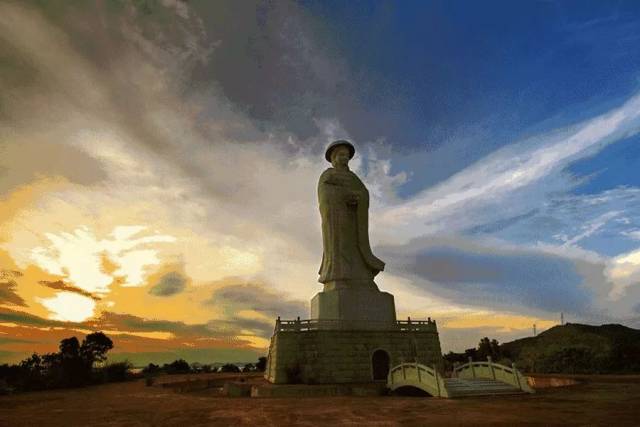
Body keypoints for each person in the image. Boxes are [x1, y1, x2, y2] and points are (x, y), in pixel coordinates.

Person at [317, 140, 385, 291]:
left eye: (346, 156)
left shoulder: (353, 178)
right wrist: (344, 195)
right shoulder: (328, 175)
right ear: (334, 158)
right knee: (339, 247)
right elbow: (324, 196)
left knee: (354, 247)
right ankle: (338, 278)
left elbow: (364, 193)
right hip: (335, 220)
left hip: (353, 221)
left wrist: (357, 197)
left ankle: (362, 279)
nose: (344, 158)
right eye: (341, 155)